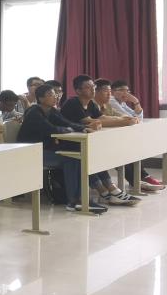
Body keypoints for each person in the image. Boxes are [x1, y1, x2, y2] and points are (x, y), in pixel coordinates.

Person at [18, 84, 107, 214]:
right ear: (41, 99)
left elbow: (67, 123)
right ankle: (74, 201)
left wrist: (84, 128)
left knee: (78, 156)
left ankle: (80, 199)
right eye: (50, 95)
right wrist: (68, 129)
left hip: (45, 149)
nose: (55, 97)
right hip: (30, 152)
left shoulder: (51, 110)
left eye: (55, 94)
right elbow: (51, 129)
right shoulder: (34, 112)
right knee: (72, 159)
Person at [57, 76, 139, 206]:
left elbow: (102, 117)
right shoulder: (72, 103)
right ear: (78, 91)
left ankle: (110, 190)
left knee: (96, 154)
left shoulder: (90, 103)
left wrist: (125, 119)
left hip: (84, 142)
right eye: (88, 87)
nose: (92, 90)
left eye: (93, 87)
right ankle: (106, 191)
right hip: (68, 144)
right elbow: (90, 121)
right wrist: (124, 122)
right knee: (88, 157)